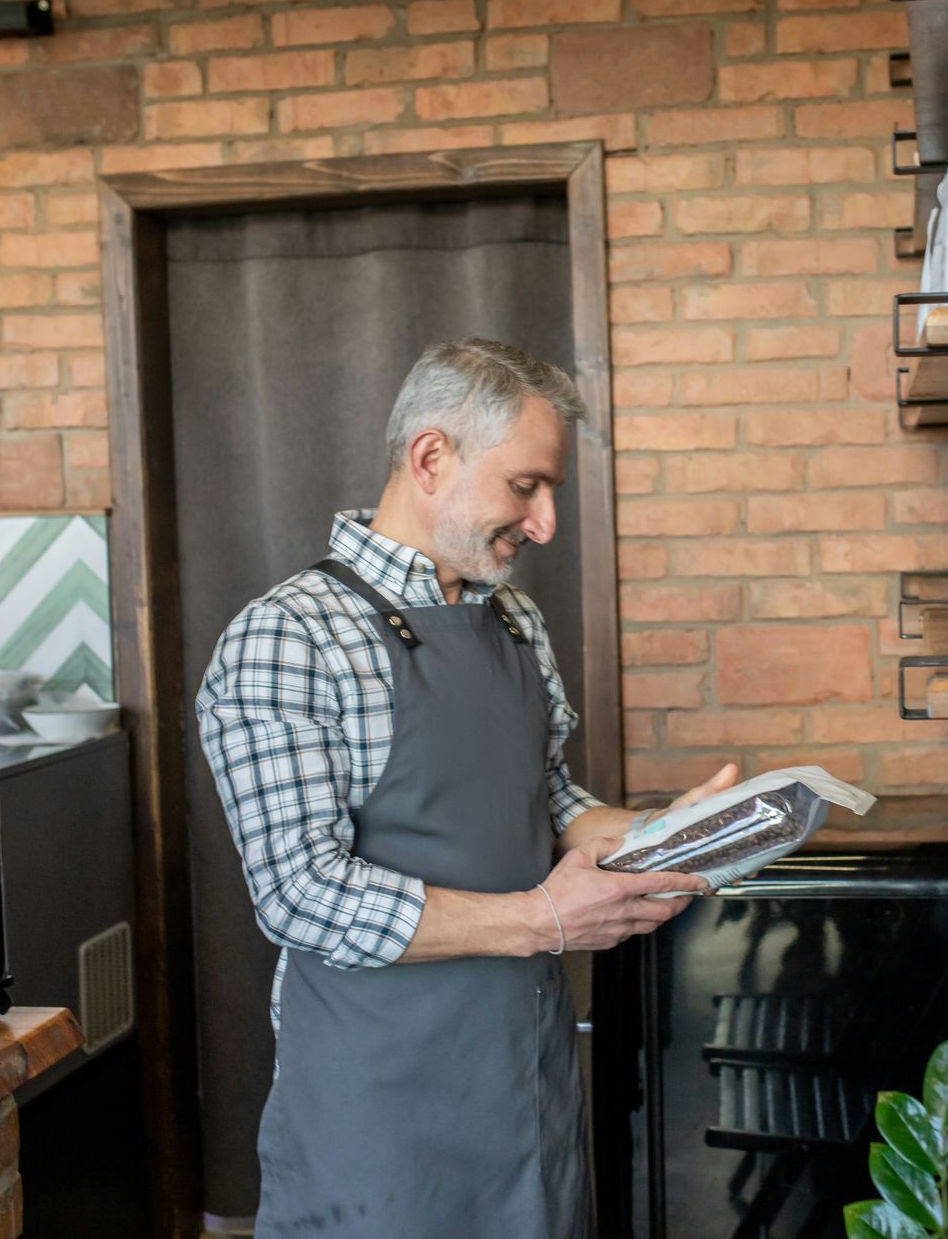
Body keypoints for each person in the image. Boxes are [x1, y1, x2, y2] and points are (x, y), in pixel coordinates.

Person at [196, 338, 735, 1238]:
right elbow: (299, 894)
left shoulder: (515, 620)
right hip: (376, 1119)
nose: (546, 522)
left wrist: (658, 835)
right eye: (527, 486)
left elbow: (548, 797)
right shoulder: (286, 638)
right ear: (431, 458)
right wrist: (545, 921)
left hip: (527, 1088)